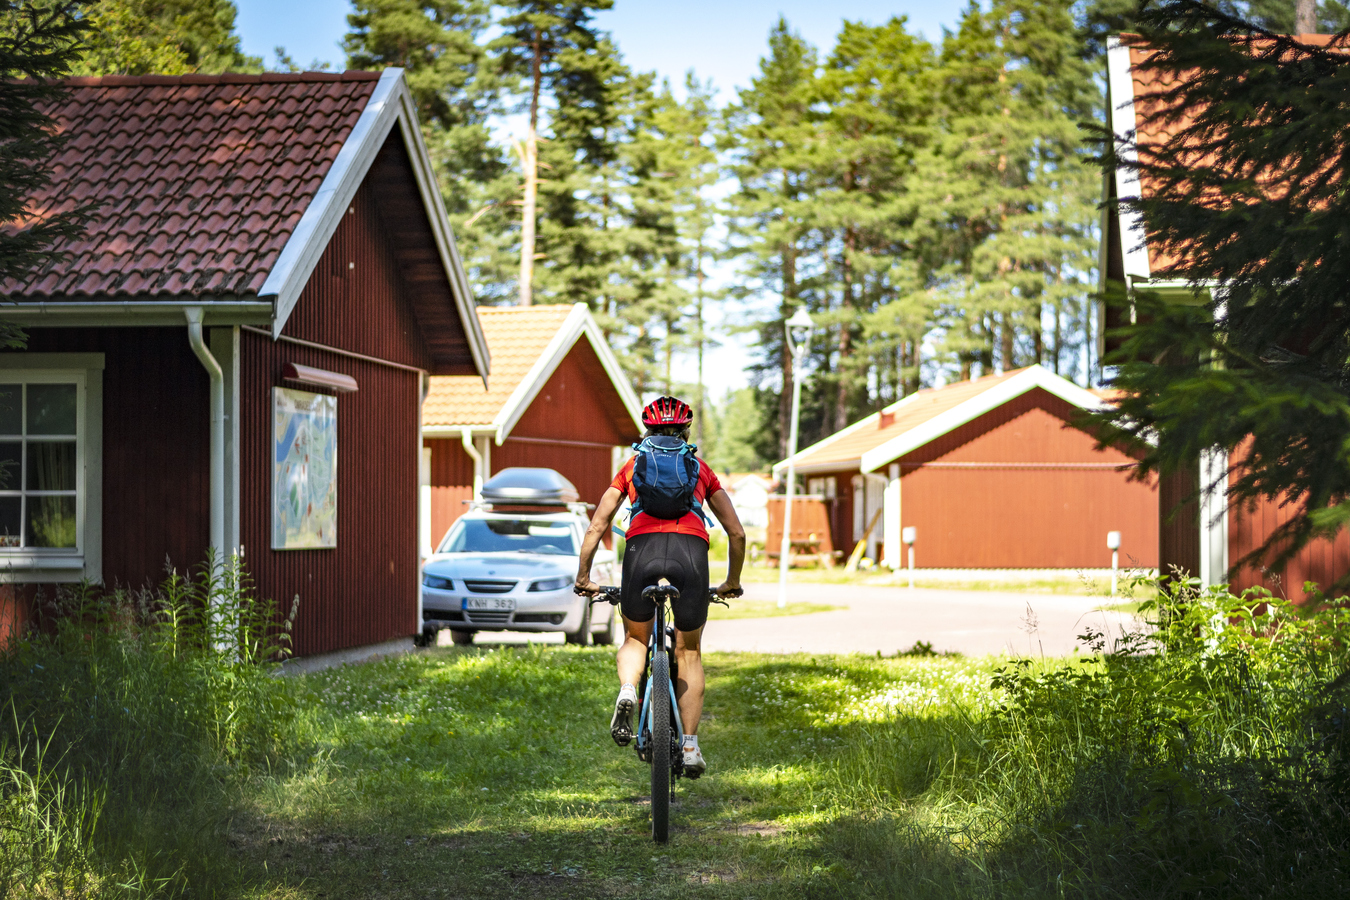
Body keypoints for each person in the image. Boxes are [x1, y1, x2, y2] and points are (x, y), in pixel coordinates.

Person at [574, 395, 745, 778]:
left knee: (636, 639)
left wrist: (584, 577)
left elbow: (596, 526)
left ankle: (628, 691)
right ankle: (689, 748)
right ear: (685, 431)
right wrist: (732, 581)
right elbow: (736, 532)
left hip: (641, 551)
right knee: (689, 652)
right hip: (691, 554)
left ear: (647, 430)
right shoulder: (700, 470)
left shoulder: (632, 466)